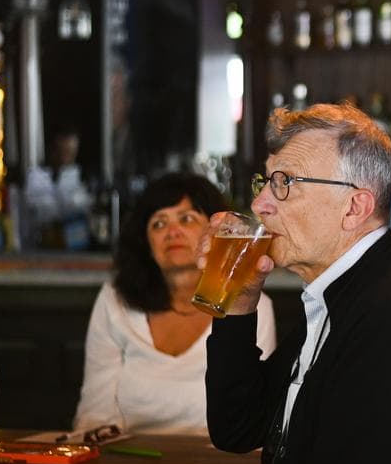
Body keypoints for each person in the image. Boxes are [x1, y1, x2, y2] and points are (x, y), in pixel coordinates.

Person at [203, 103, 391, 464]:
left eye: (284, 183)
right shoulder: (341, 291)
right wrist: (240, 303)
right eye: (266, 182)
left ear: (355, 208)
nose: (261, 203)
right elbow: (237, 428)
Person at [74, 173, 276, 435]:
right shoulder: (116, 299)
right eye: (158, 224)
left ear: (217, 231)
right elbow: (94, 414)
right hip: (132, 463)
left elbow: (254, 417)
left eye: (186, 219)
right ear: (146, 244)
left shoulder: (250, 306)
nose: (172, 232)